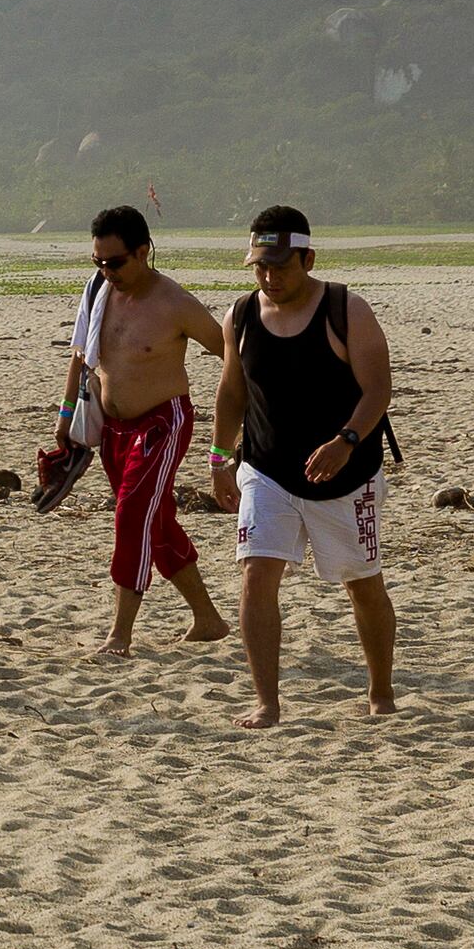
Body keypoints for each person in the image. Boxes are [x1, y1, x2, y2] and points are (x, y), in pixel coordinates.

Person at [206, 205, 400, 724]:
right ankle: (266, 701)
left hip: (346, 477)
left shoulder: (346, 310)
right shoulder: (240, 316)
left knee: (363, 583)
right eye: (260, 267)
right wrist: (220, 457)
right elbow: (231, 390)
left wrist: (346, 441)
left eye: (281, 266)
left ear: (308, 258)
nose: (269, 277)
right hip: (266, 471)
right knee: (255, 575)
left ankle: (380, 690)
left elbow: (378, 388)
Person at [64, 206, 231, 659]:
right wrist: (66, 419)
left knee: (133, 514)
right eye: (97, 262)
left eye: (115, 262)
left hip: (162, 423)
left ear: (143, 252)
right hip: (113, 428)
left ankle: (119, 635)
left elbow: (231, 358)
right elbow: (81, 356)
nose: (106, 271)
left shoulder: (176, 303)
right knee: (156, 523)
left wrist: (234, 438)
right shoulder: (99, 291)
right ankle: (209, 619)